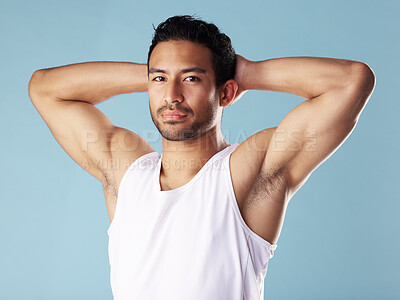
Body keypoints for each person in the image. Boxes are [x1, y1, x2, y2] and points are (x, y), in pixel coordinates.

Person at [28, 15, 375, 300]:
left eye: (191, 79)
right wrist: (162, 71)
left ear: (226, 92)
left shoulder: (248, 173)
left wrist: (243, 73)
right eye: (160, 80)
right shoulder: (127, 172)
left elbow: (351, 81)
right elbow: (44, 88)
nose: (172, 96)